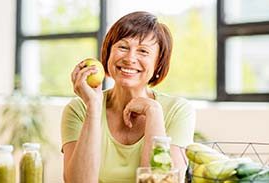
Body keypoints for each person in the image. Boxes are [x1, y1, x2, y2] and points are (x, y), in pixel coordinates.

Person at [61, 11, 195, 183]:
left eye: (143, 51)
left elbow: (160, 182)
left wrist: (153, 111)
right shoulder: (78, 109)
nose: (130, 58)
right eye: (123, 47)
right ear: (108, 52)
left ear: (158, 62)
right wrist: (93, 108)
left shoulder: (178, 110)